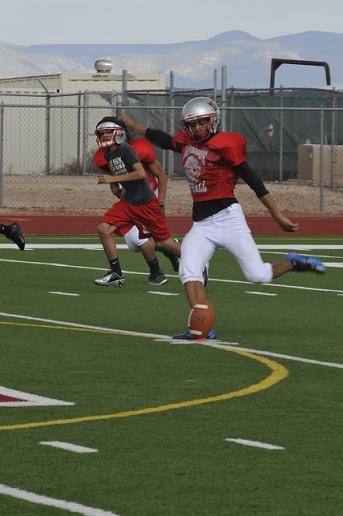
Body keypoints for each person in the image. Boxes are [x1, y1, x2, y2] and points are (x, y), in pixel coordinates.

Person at [118, 97, 326, 339]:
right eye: (192, 124)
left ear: (213, 120)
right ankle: (202, 325)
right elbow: (164, 139)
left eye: (202, 123)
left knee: (256, 275)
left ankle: (293, 262)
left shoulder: (225, 145)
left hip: (228, 218)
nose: (197, 128)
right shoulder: (186, 141)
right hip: (202, 224)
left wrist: (277, 215)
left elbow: (254, 182)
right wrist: (134, 126)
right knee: (189, 271)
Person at [93, 117, 181, 288]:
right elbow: (116, 174)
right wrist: (114, 185)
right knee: (104, 229)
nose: (103, 136)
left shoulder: (126, 149)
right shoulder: (108, 153)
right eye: (100, 133)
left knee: (163, 242)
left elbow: (141, 173)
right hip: (128, 202)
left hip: (145, 202)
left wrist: (113, 178)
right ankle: (116, 273)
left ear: (118, 132)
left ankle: (194, 260)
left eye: (106, 132)